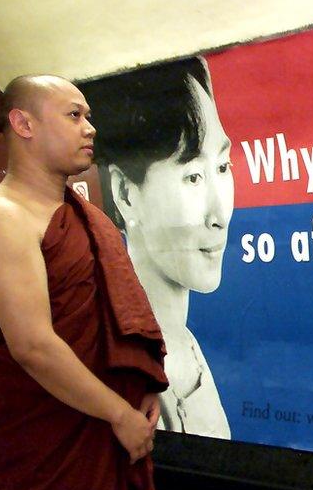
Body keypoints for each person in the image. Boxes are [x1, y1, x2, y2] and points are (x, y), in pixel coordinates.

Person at [0, 75, 169, 490]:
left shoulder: (86, 218)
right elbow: (33, 345)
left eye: (88, 117)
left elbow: (116, 316)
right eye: (74, 115)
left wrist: (139, 385)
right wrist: (118, 412)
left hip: (106, 430)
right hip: (47, 440)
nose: (90, 128)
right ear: (23, 123)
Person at [79, 57, 233, 439]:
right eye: (193, 176)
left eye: (223, 167)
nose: (220, 215)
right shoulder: (125, 363)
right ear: (126, 195)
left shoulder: (183, 344)